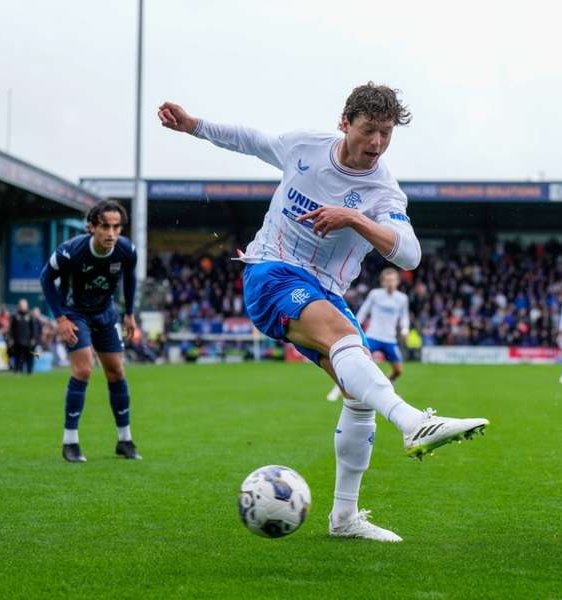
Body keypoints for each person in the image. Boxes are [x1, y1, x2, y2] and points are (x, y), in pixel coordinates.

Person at [158, 83, 488, 543]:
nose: (376, 143)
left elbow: (409, 255)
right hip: (271, 272)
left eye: (386, 134)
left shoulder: (381, 191)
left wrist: (354, 219)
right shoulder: (305, 147)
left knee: (358, 393)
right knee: (343, 340)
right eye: (369, 130)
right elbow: (251, 140)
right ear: (345, 122)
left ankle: (345, 518)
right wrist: (194, 126)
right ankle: (415, 422)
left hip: (326, 291)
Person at [39, 201, 142, 463]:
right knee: (83, 369)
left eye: (116, 227)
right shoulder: (70, 252)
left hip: (106, 313)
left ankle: (125, 439)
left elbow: (129, 279)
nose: (111, 233)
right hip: (75, 313)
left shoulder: (126, 250)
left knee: (117, 371)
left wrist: (129, 313)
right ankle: (70, 442)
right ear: (92, 227)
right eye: (105, 226)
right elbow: (45, 279)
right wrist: (60, 318)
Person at [327, 268, 409, 402]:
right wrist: (355, 326)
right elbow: (364, 310)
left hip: (390, 339)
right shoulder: (375, 294)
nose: (390, 283)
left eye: (393, 280)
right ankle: (337, 389)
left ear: (397, 282)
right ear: (382, 282)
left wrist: (405, 329)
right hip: (373, 336)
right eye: (387, 281)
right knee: (357, 365)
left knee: (398, 370)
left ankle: (385, 391)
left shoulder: (402, 298)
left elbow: (404, 316)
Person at [8, 298, 41, 374]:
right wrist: (11, 338)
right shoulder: (15, 316)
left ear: (27, 306)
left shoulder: (30, 316)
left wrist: (33, 338)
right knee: (18, 357)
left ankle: (30, 371)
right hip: (17, 341)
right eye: (21, 305)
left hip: (28, 341)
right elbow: (11, 329)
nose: (22, 307)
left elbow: (33, 328)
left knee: (30, 356)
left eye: (24, 305)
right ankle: (18, 370)